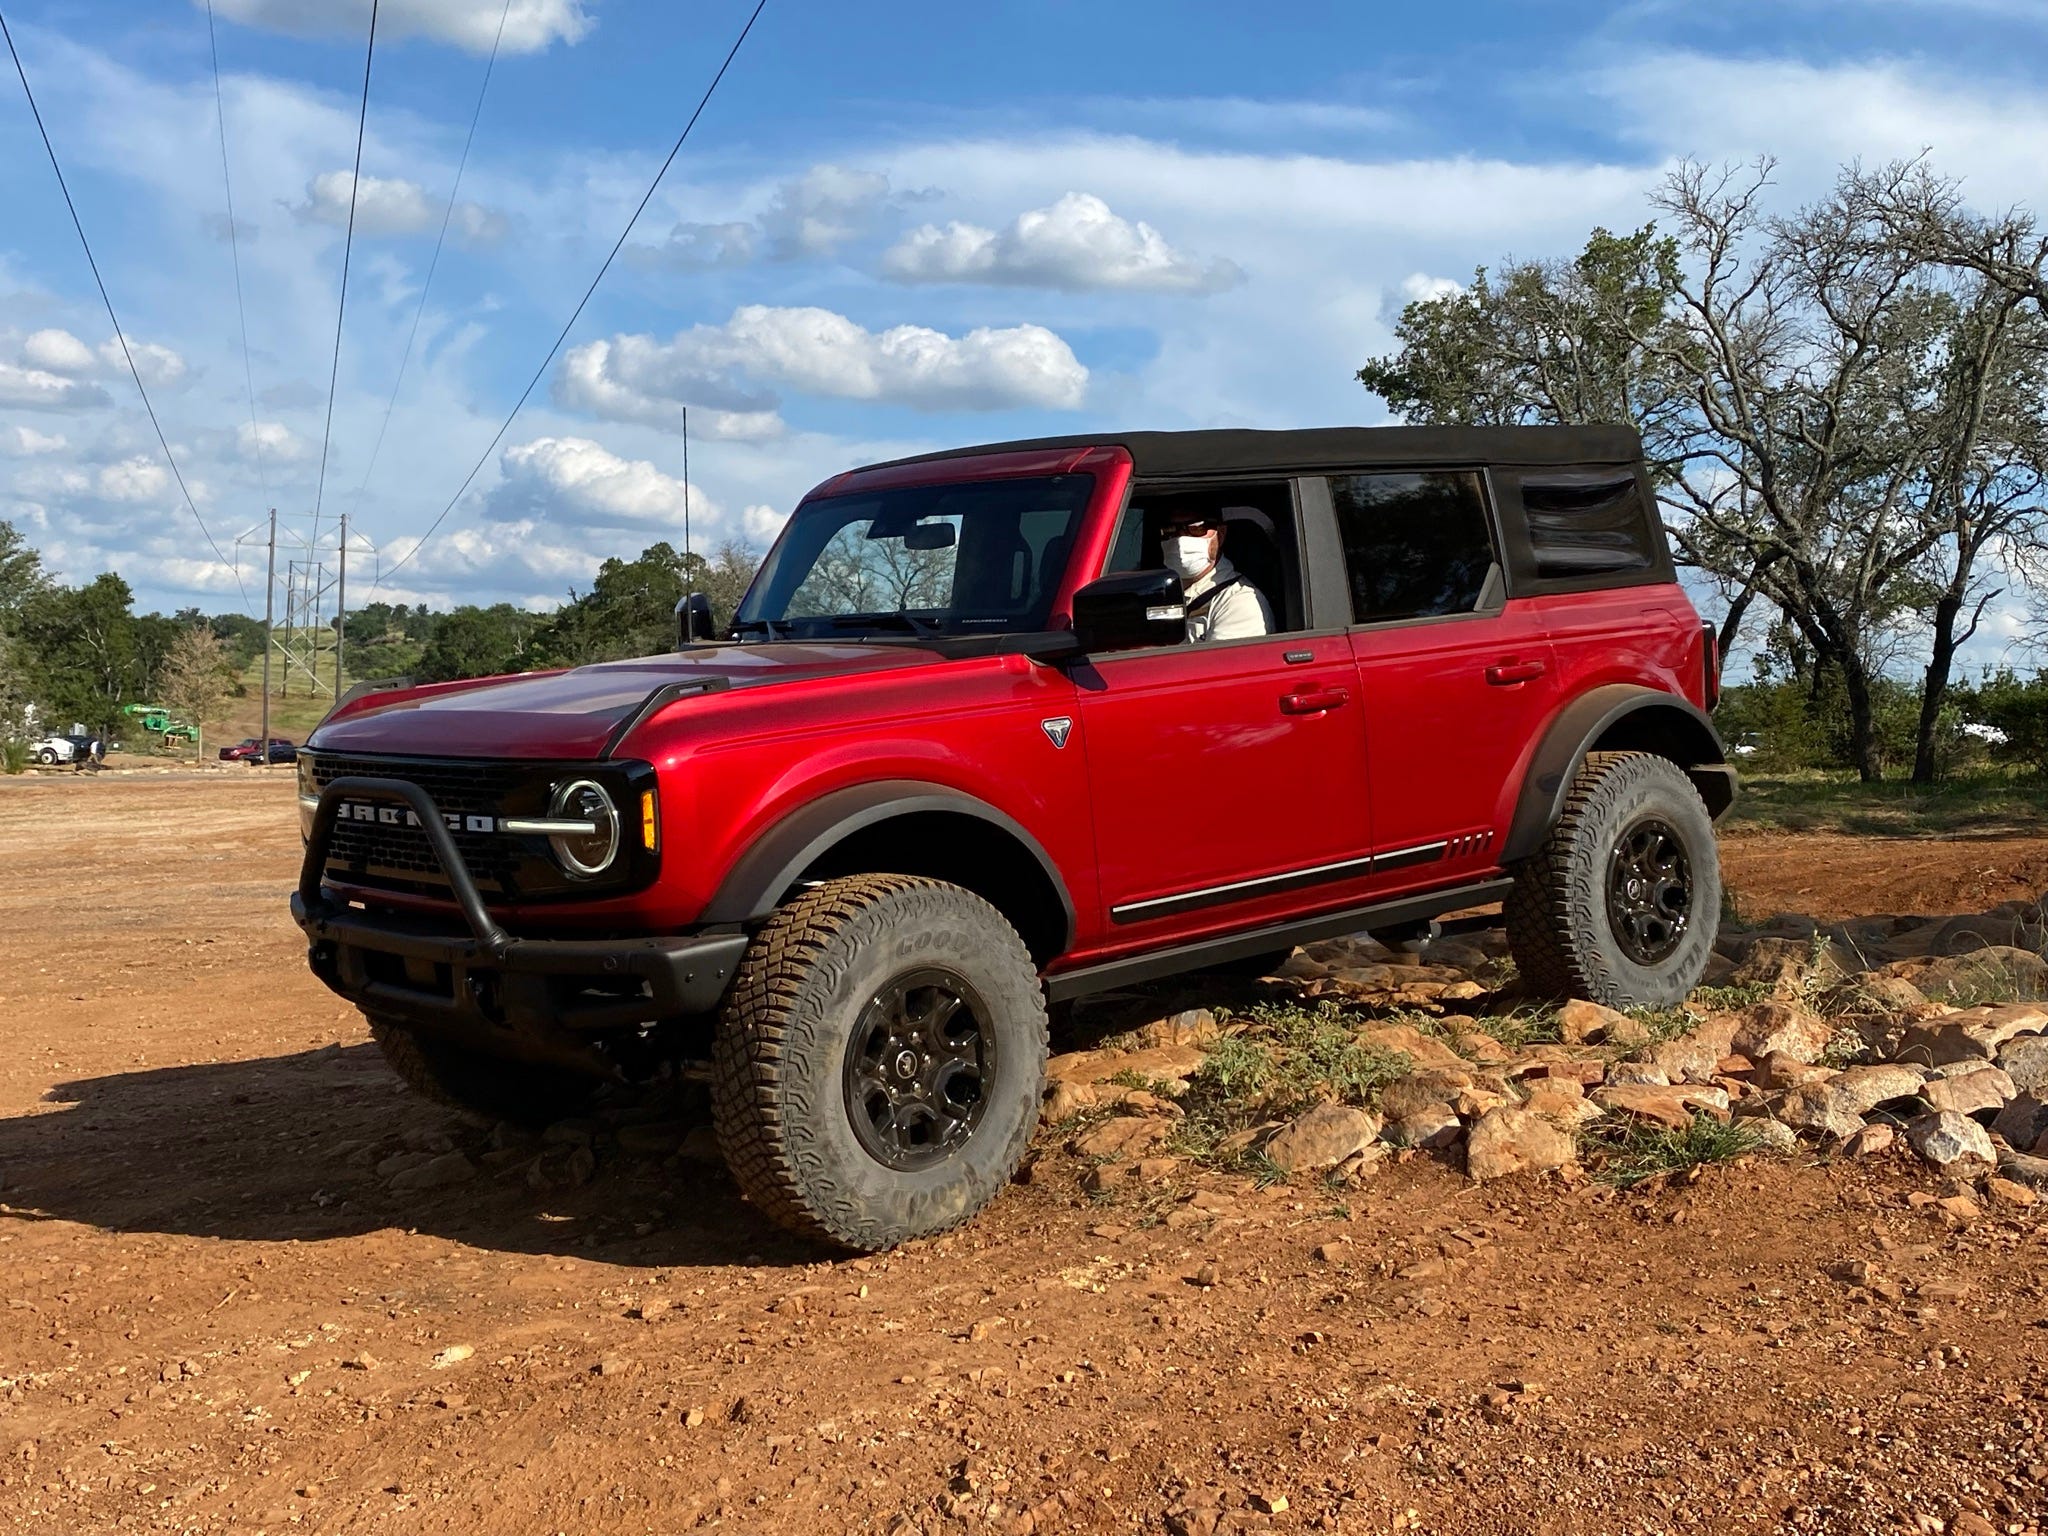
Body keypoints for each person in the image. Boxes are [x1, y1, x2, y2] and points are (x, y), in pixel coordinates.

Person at [1159, 512, 1273, 642]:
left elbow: (1217, 662)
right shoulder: (1158, 593)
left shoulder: (1238, 602)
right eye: (1170, 529)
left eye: (1196, 528)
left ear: (1220, 534)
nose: (1180, 539)